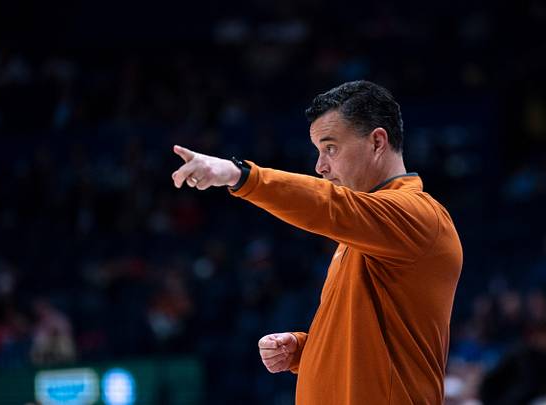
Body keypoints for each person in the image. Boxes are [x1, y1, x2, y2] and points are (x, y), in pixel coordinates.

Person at [171, 81, 463, 404]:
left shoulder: (419, 217)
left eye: (331, 148)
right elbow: (372, 346)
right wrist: (304, 350)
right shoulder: (366, 232)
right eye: (318, 151)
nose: (320, 166)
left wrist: (240, 175)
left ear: (378, 142)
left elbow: (329, 206)